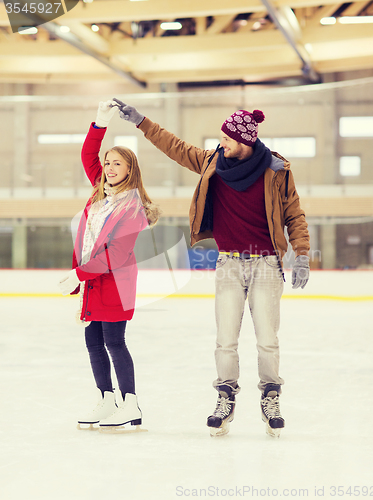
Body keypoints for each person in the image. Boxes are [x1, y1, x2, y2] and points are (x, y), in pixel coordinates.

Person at [114, 99, 310, 438]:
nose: (221, 143)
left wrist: (303, 254)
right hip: (229, 264)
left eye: (227, 139)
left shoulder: (276, 170)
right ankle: (225, 396)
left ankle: (270, 396)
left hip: (265, 264)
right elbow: (174, 147)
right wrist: (142, 122)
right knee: (225, 340)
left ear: (245, 143)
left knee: (267, 339)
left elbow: (294, 214)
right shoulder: (212, 163)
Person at [58, 101, 160, 432]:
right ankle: (106, 399)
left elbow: (115, 255)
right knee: (92, 342)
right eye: (107, 162)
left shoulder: (132, 208)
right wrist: (101, 122)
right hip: (93, 283)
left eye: (118, 163)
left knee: (114, 342)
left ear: (130, 169)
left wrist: (77, 274)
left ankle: (130, 403)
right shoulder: (100, 194)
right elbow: (89, 155)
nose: (109, 167)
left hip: (114, 283)